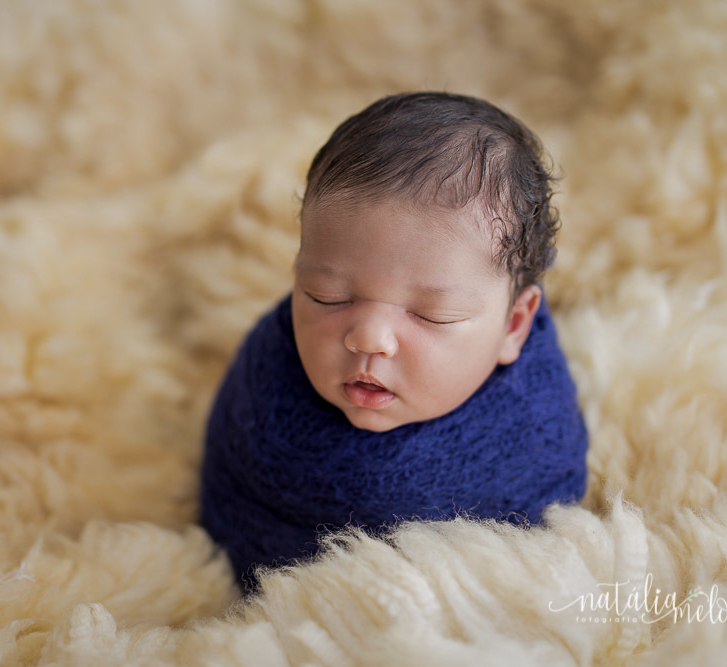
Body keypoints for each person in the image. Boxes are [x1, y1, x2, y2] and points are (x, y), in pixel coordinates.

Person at [199, 92, 589, 594]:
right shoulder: (263, 385)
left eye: (432, 314)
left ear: (514, 325)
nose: (369, 338)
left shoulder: (531, 428)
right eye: (328, 295)